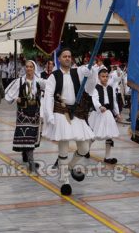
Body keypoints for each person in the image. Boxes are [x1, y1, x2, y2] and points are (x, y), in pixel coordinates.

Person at [43, 48, 95, 196]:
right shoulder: (54, 76)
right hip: (60, 113)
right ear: (59, 59)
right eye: (64, 56)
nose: (67, 58)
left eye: (69, 56)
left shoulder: (77, 72)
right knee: (63, 149)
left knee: (84, 148)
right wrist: (49, 115)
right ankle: (65, 181)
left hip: (77, 113)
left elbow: (90, 86)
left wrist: (90, 74)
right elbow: (48, 96)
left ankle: (70, 166)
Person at [5, 60, 45, 172]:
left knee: (31, 136)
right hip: (23, 113)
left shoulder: (39, 81)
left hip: (35, 113)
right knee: (26, 134)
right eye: (27, 67)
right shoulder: (20, 81)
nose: (28, 69)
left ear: (34, 68)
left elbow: (51, 86)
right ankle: (31, 161)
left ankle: (25, 153)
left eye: (31, 67)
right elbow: (7, 93)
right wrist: (15, 98)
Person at [88, 68, 121, 164]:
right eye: (103, 76)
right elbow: (95, 99)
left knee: (109, 136)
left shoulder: (111, 88)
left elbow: (114, 102)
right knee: (94, 135)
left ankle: (108, 156)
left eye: (107, 76)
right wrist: (99, 106)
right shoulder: (96, 88)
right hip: (98, 113)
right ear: (99, 77)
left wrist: (117, 113)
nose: (105, 78)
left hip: (108, 113)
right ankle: (86, 151)